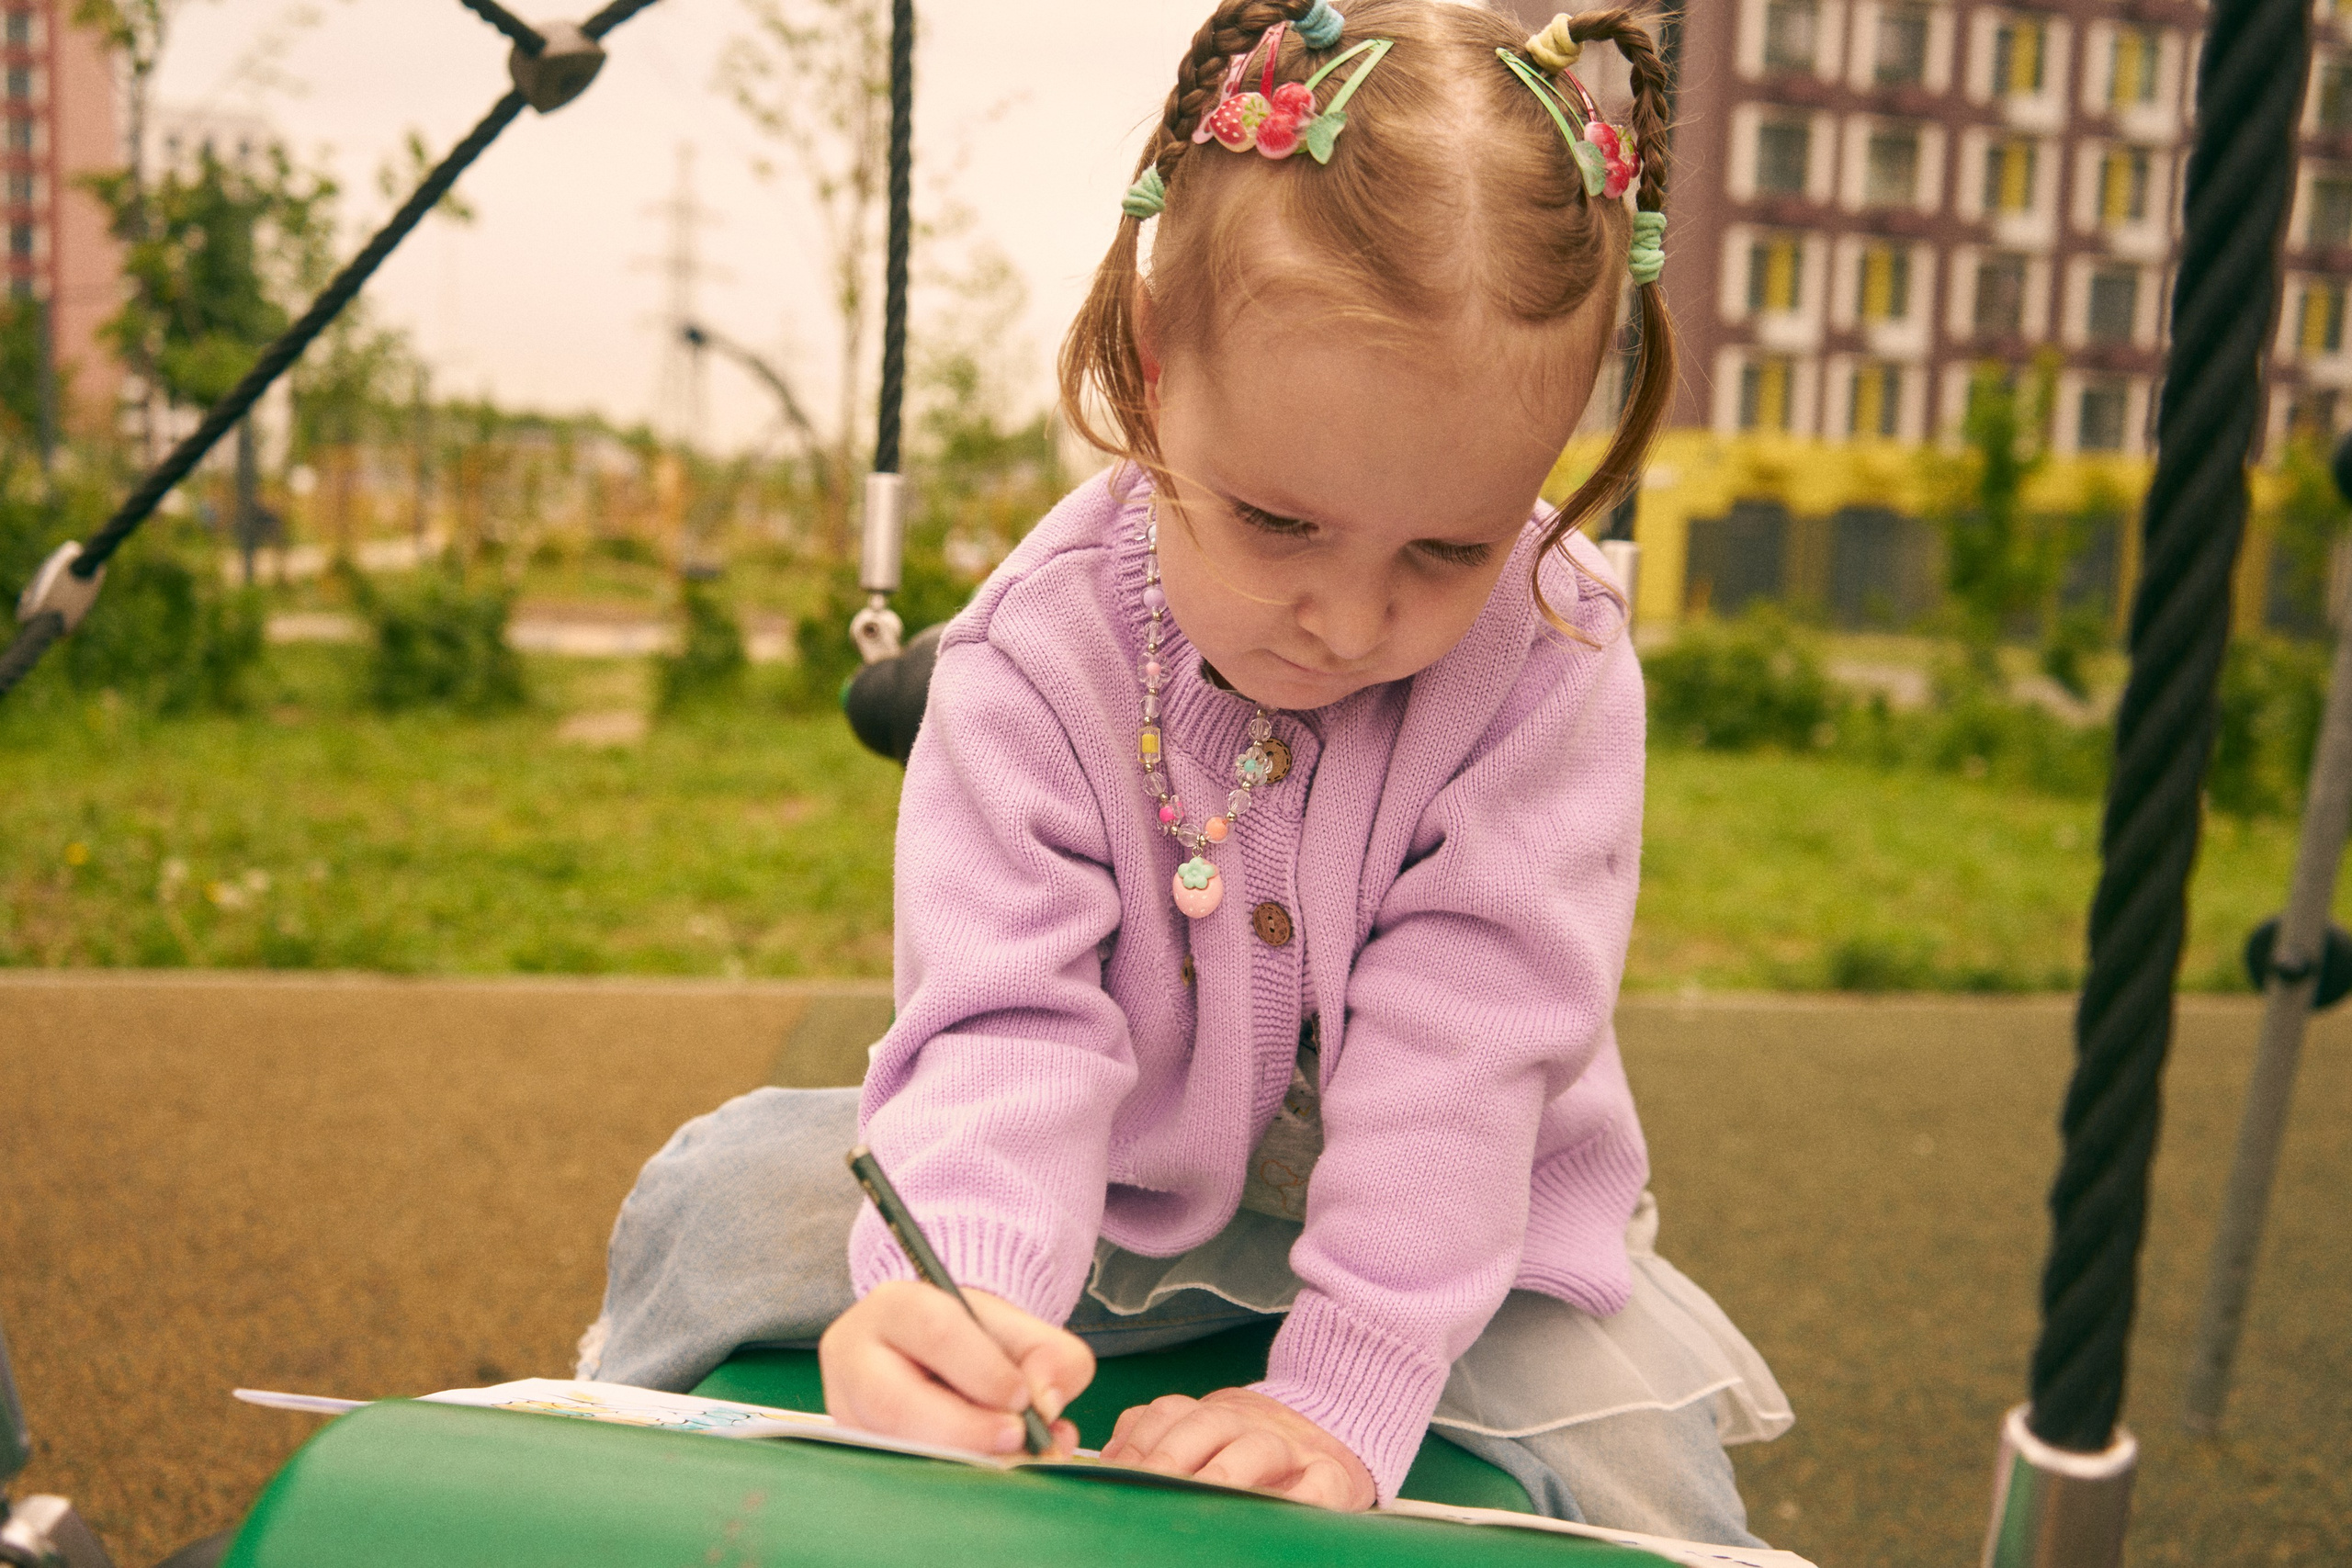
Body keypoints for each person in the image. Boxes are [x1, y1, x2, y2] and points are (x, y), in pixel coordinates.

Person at [580, 0, 1790, 1543]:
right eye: (1280, 523)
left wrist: (1338, 1397)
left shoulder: (1551, 659)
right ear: (1157, 368)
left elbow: (1464, 1063)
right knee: (721, 1195)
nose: (1353, 620)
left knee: (1652, 1486)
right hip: (1102, 1191)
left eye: (1448, 547)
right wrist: (970, 1307)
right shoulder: (1037, 654)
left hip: (1457, 1245)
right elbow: (1005, 1027)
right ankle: (598, 1499)